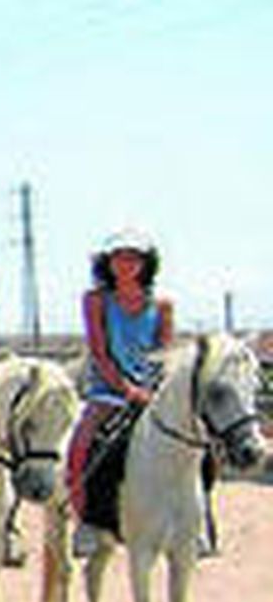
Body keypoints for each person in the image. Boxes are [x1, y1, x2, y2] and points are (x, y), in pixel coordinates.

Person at [67, 227, 177, 556]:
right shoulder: (97, 300)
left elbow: (163, 352)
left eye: (133, 257)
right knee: (82, 445)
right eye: (118, 257)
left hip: (151, 391)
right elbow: (99, 352)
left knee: (198, 442)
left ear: (145, 263)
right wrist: (127, 390)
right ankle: (85, 521)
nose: (125, 264)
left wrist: (153, 389)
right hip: (108, 391)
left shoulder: (162, 304)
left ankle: (200, 522)